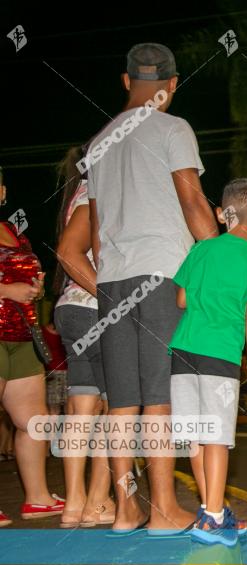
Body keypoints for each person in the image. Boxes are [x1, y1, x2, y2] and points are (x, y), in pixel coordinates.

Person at [86, 43, 217, 533]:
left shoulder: (96, 142)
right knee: (160, 395)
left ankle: (125, 510)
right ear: (172, 84)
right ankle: (163, 508)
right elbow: (193, 201)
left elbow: (98, 235)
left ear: (126, 81)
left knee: (122, 400)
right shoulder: (173, 127)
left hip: (112, 280)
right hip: (162, 274)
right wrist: (220, 257)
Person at [169, 178, 247, 546]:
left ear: (220, 213)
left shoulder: (202, 249)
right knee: (216, 438)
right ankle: (213, 517)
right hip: (220, 354)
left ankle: (210, 509)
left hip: (183, 351)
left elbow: (181, 300)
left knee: (195, 438)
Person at [0, 169, 65, 527]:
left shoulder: (13, 231)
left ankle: (38, 497)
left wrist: (35, 288)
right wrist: (8, 292)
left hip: (22, 336)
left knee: (33, 422)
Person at [54, 148, 115, 528]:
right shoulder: (98, 191)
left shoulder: (77, 191)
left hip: (71, 309)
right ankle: (97, 502)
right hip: (94, 307)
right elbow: (68, 252)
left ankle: (73, 505)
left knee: (80, 413)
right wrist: (114, 302)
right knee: (114, 409)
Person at [41, 320, 67, 416]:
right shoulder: (68, 331)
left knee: (53, 412)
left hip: (51, 373)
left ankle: (52, 431)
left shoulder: (43, 331)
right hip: (68, 373)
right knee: (70, 411)